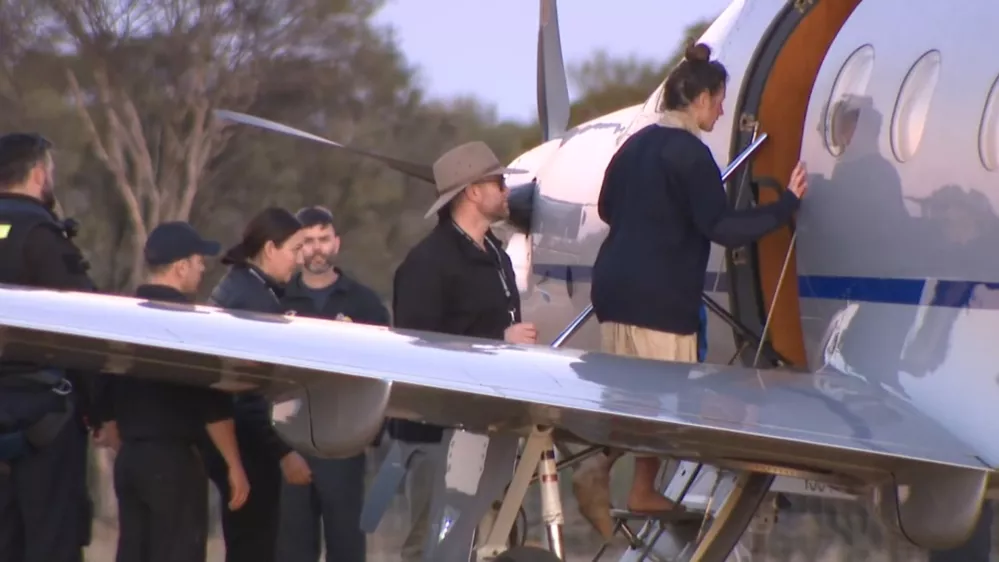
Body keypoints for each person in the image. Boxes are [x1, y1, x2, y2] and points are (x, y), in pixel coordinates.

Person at [572, 42, 809, 538]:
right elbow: (720, 226)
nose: (723, 110)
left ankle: (632, 483)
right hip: (659, 298)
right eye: (720, 100)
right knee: (663, 398)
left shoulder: (634, 146)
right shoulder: (691, 155)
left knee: (633, 393)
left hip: (614, 289)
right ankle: (606, 472)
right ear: (700, 98)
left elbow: (609, 206)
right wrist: (784, 206)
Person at [389, 140, 534, 561]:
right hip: (437, 436)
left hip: (491, 424)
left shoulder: (497, 256)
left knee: (480, 540)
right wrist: (499, 338)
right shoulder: (425, 264)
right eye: (499, 181)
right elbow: (419, 350)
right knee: (433, 544)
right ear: (472, 191)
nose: (507, 190)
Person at [103, 221, 250, 562]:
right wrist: (233, 464)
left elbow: (102, 385)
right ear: (181, 266)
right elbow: (211, 401)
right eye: (199, 261)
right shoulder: (189, 325)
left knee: (133, 551)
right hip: (173, 461)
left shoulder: (117, 319)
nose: (202, 269)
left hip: (130, 460)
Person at [0, 132, 113, 562]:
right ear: (38, 174)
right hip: (44, 418)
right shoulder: (44, 238)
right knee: (53, 539)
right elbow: (83, 326)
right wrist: (103, 409)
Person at [276, 205, 390, 562]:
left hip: (344, 446)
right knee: (292, 550)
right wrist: (277, 449)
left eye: (324, 239)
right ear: (296, 248)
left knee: (346, 549)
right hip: (288, 444)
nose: (317, 248)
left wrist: (370, 434)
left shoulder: (365, 304)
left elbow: (384, 370)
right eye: (307, 241)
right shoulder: (275, 302)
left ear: (336, 243)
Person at [204, 207, 312, 562]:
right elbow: (250, 392)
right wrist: (282, 452)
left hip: (233, 436)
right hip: (249, 444)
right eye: (295, 249)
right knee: (254, 546)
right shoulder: (255, 301)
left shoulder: (239, 285)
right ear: (269, 249)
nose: (300, 259)